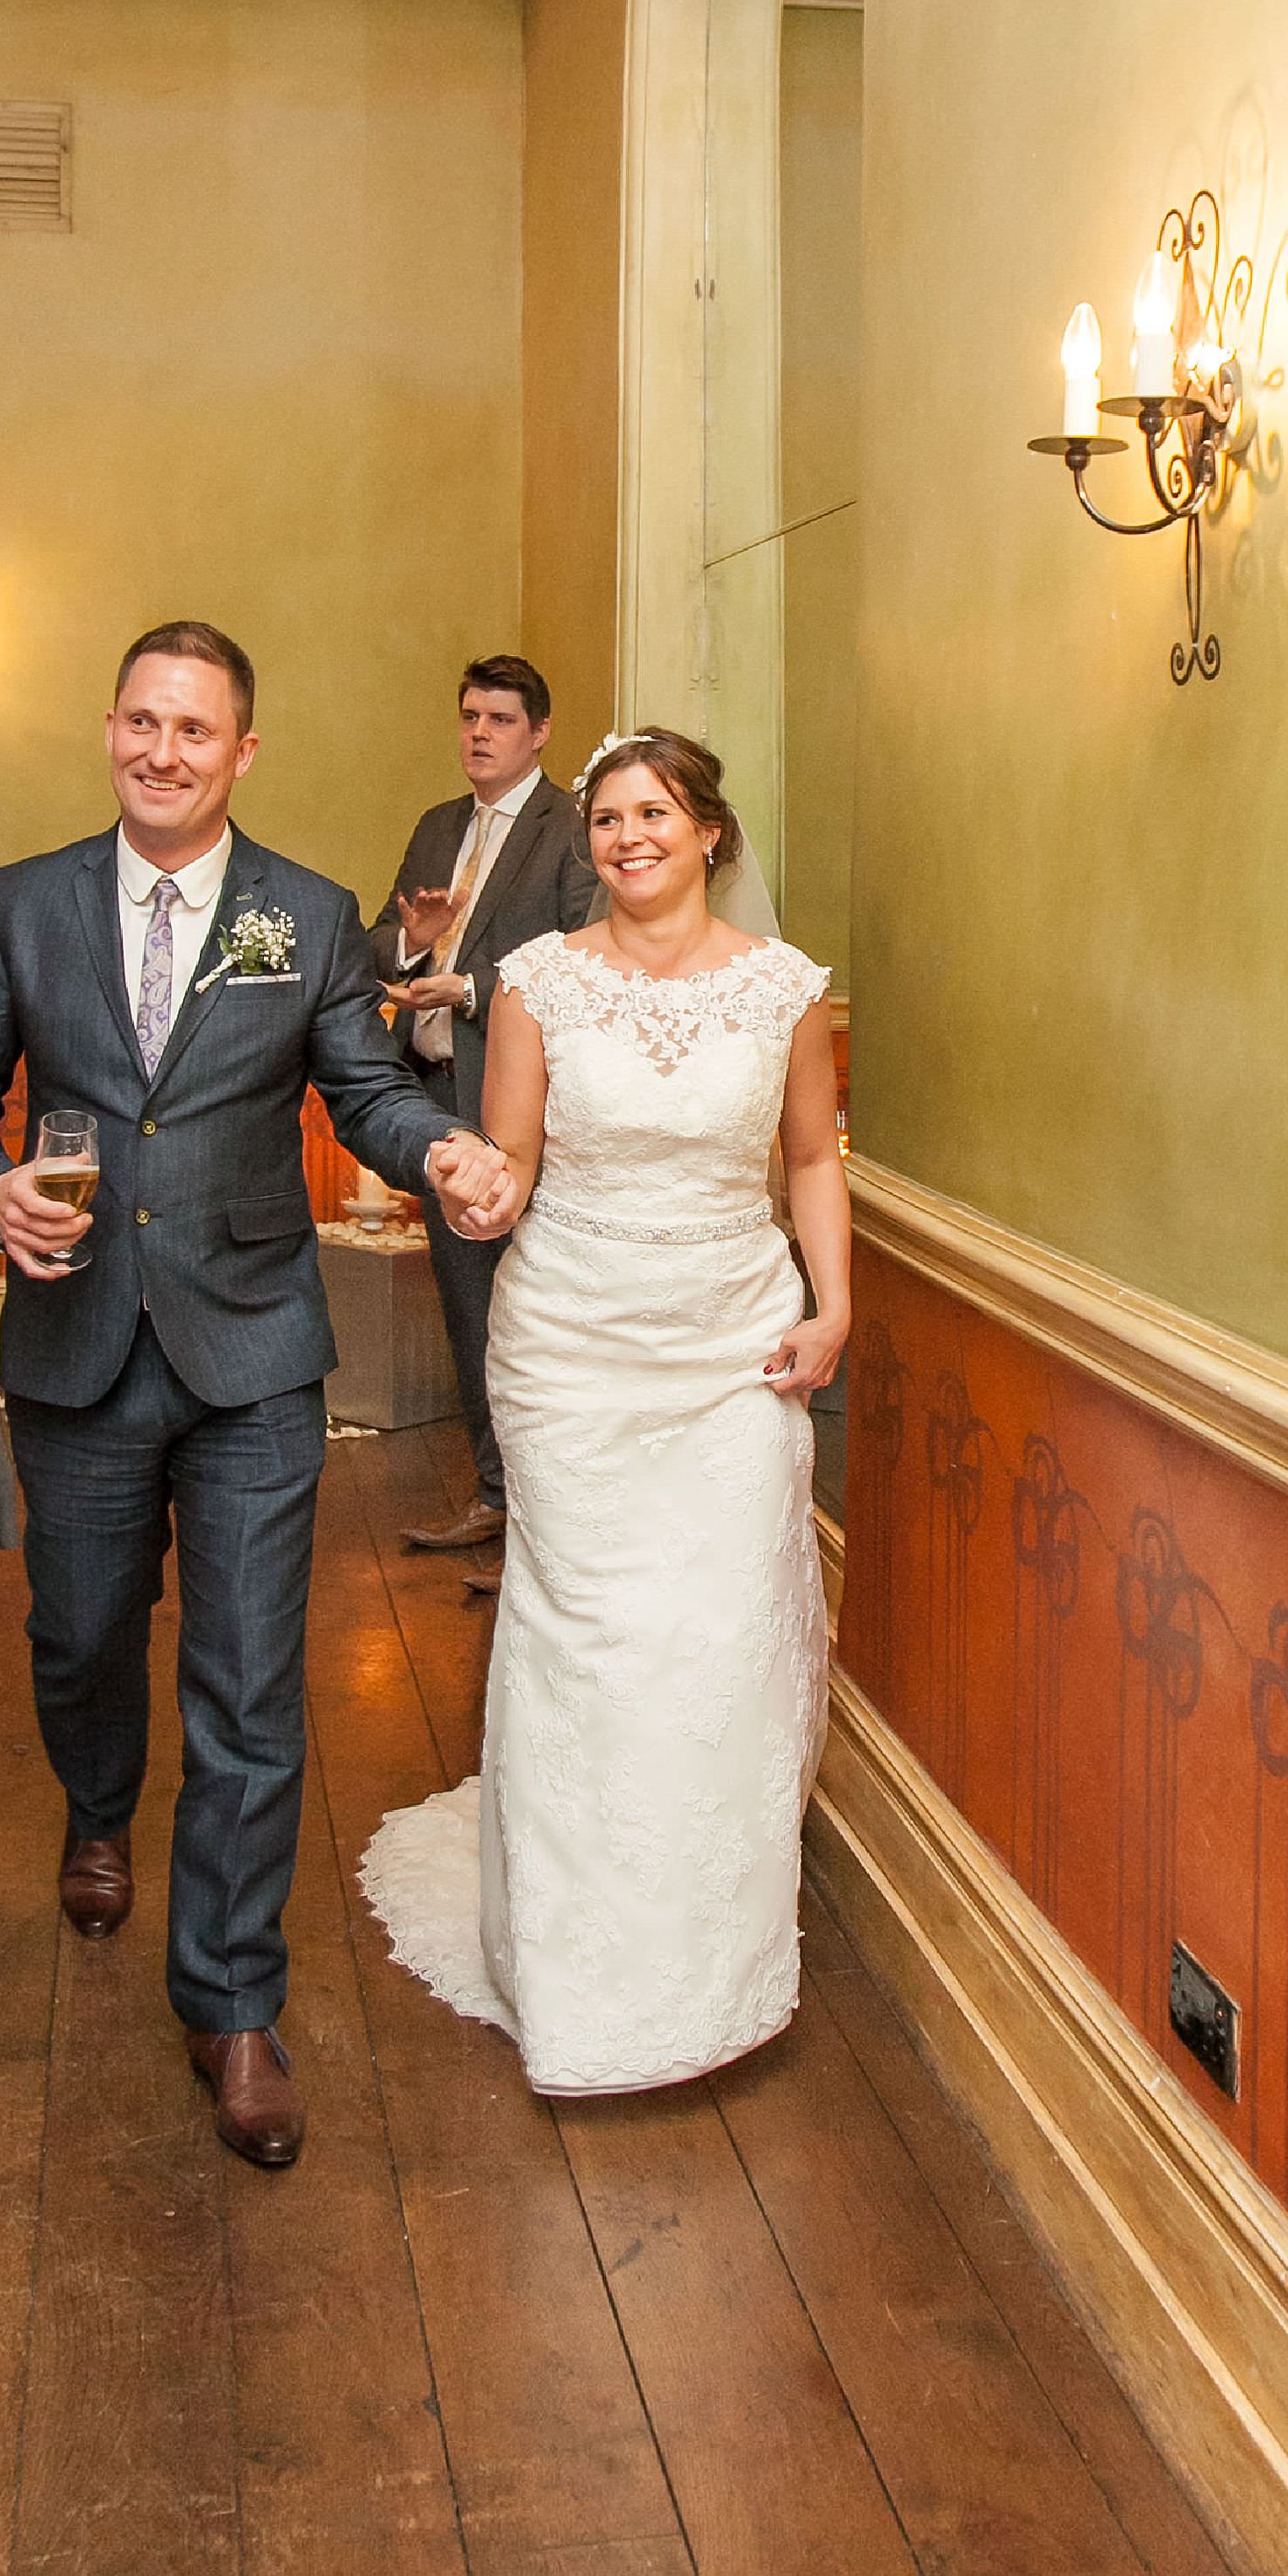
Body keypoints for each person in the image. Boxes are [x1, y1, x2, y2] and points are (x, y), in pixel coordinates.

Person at [0, 621, 511, 2166]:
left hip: (249, 1350)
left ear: (243, 752)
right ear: (108, 728)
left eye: (197, 730)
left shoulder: (302, 913)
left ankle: (233, 1999)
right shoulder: (23, 902)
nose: (163, 750)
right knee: (78, 1632)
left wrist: (433, 1145)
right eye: (141, 721)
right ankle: (98, 1801)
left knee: (247, 1682)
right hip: (76, 1337)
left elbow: (361, 1084)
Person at [359, 728, 849, 2094]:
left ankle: (710, 1951)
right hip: (571, 1344)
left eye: (655, 812)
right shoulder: (536, 983)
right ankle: (578, 1968)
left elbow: (811, 1156)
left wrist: (835, 1303)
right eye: (610, 817)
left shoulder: (785, 990)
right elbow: (510, 1160)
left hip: (730, 1351)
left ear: (709, 832)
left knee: (717, 1640)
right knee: (594, 1642)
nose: (628, 835)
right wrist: (475, 1185)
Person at [369, 653, 595, 1558]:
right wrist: (410, 950)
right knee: (469, 1309)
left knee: (536, 1311)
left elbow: (588, 954)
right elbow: (390, 949)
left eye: (499, 719)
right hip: (431, 1099)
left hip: (527, 1109)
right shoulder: (435, 826)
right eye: (469, 715)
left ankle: (551, 1519)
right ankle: (496, 1495)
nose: (478, 732)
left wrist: (471, 988)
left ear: (538, 732)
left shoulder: (573, 825)